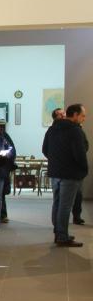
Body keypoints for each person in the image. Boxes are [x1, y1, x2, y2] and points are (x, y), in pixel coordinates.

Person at [43, 103, 88, 247]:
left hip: (55, 172)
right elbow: (80, 153)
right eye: (82, 115)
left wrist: (56, 161)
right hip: (70, 174)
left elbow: (45, 149)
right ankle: (62, 236)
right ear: (74, 115)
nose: (84, 118)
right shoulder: (75, 130)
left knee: (57, 203)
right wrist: (84, 169)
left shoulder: (52, 129)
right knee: (65, 206)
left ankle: (58, 232)